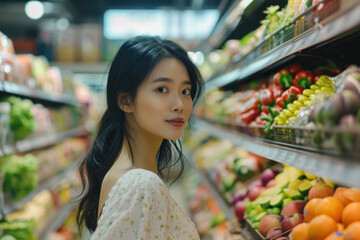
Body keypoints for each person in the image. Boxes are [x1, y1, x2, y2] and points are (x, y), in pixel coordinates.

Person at [76, 35, 204, 239]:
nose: (179, 104)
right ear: (126, 101)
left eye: (185, 91)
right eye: (162, 89)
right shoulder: (140, 184)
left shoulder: (131, 174)